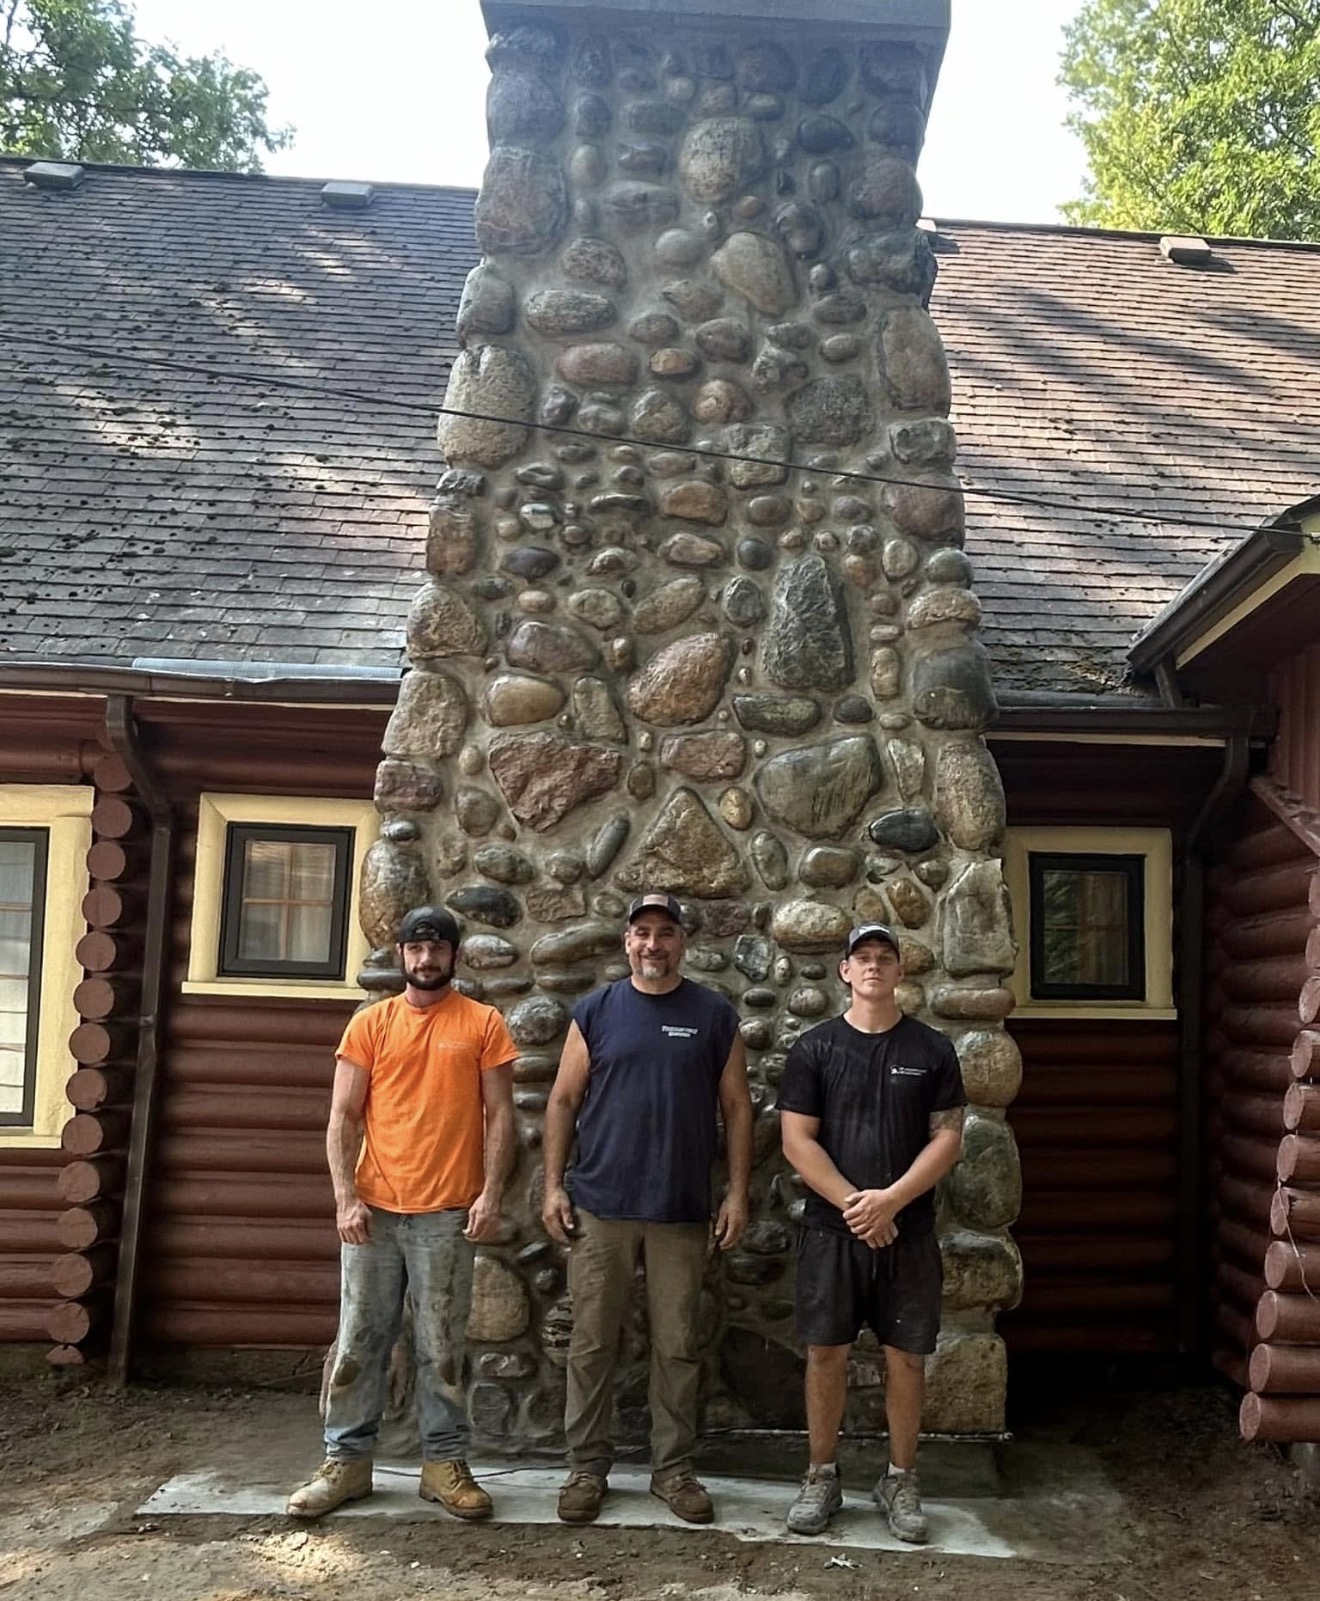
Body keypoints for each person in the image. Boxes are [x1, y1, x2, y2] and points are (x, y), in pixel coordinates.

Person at [287, 905, 517, 1520]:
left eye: (437, 948)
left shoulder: (483, 1023)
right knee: (360, 1339)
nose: (426, 958)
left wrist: (491, 1194)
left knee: (441, 1345)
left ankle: (443, 1464)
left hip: (447, 1213)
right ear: (401, 956)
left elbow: (501, 1116)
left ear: (454, 956)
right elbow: (343, 1116)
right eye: (416, 948)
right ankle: (347, 1462)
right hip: (374, 1215)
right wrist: (345, 1198)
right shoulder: (371, 1024)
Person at [541, 892, 754, 1527]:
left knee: (678, 1345)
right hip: (601, 1205)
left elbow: (738, 1107)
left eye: (665, 932)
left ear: (682, 942)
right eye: (642, 933)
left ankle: (674, 1470)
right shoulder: (596, 1011)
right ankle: (586, 1468)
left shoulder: (713, 1015)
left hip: (680, 1208)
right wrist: (553, 1186)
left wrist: (737, 1193)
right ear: (626, 942)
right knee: (591, 1342)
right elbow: (563, 1100)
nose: (653, 944)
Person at [776, 923, 965, 1543]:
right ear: (845, 971)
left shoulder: (932, 1049)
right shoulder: (815, 1049)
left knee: (906, 1357)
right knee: (825, 1352)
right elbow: (796, 1140)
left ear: (900, 972)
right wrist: (857, 1207)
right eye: (863, 958)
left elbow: (948, 1139)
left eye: (885, 957)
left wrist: (891, 1203)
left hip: (908, 1233)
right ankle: (821, 1476)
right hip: (832, 1233)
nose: (874, 966)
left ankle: (900, 1479)